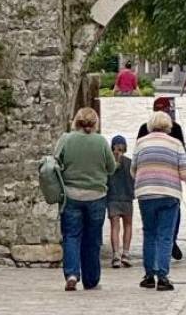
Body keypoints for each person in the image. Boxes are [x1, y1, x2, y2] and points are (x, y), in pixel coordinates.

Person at [55, 107, 116, 291]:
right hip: (96, 196)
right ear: (95, 123)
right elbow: (111, 168)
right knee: (93, 238)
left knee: (71, 236)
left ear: (77, 121)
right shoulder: (101, 142)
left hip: (71, 194)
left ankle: (72, 274)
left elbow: (55, 163)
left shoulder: (66, 139)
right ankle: (91, 279)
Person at [132, 111, 186, 292]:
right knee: (165, 235)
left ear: (150, 126)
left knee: (149, 233)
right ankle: (163, 277)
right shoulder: (176, 144)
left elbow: (133, 170)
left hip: (146, 193)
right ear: (168, 126)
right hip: (168, 193)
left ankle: (149, 275)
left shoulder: (141, 143)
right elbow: (185, 173)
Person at [137, 96, 186, 260]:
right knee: (169, 222)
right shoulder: (175, 130)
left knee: (150, 232)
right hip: (169, 184)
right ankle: (169, 246)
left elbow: (136, 160)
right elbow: (182, 157)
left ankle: (152, 269)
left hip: (147, 186)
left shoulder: (144, 130)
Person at [106, 135, 134, 268]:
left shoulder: (108, 164)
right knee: (128, 225)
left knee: (115, 227)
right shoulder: (130, 163)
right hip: (127, 198)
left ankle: (116, 255)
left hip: (112, 198)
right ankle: (126, 254)